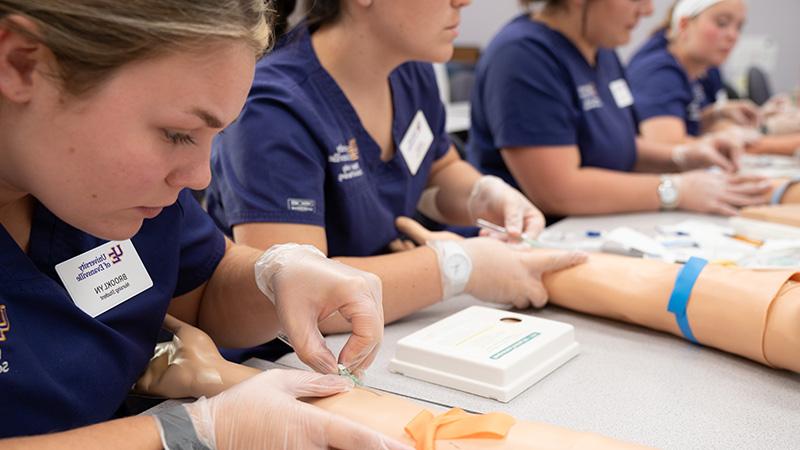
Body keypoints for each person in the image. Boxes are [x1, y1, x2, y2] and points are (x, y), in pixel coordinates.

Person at [0, 1, 409, 448]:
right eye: (178, 134)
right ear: (22, 65)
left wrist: (272, 277)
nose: (200, 177)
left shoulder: (107, 190)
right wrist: (180, 433)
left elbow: (205, 285)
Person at [206, 0, 587, 333]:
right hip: (296, 360)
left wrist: (482, 195)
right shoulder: (272, 109)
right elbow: (300, 298)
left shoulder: (409, 69)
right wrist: (458, 266)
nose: (464, 1)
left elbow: (437, 170)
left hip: (396, 320)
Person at [466, 0, 771, 219]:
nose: (649, 10)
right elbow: (558, 190)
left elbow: (614, 144)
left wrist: (683, 156)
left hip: (598, 221)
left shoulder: (604, 52)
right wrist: (674, 190)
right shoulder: (524, 56)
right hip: (533, 235)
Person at [627, 0, 800, 155]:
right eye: (722, 23)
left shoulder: (706, 67)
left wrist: (719, 114)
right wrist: (768, 136)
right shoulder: (656, 72)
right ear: (684, 24)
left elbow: (692, 124)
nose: (733, 35)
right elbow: (670, 148)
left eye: (739, 27)